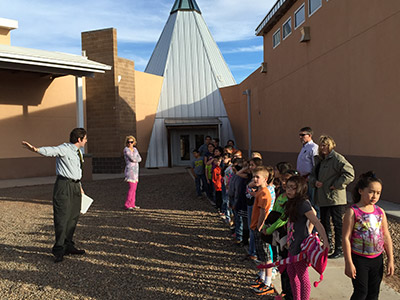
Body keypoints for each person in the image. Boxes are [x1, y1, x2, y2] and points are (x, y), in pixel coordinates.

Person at [22, 128, 88, 263]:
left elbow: (76, 171)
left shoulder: (78, 152)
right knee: (62, 217)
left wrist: (80, 187)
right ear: (79, 139)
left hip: (75, 186)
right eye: (85, 138)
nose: (86, 141)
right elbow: (51, 151)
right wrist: (35, 149)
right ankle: (58, 249)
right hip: (64, 185)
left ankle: (68, 245)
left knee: (73, 217)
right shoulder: (64, 148)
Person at [342, 172, 394, 300]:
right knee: (361, 293)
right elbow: (346, 238)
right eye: (371, 192)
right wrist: (348, 262)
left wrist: (390, 259)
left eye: (378, 193)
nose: (374, 196)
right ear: (361, 190)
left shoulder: (380, 212)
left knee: (373, 294)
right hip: (359, 260)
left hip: (377, 260)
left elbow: (386, 236)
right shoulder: (353, 211)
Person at [309, 135, 355, 259]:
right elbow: (312, 175)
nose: (323, 148)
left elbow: (350, 173)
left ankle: (339, 248)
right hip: (322, 197)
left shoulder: (337, 158)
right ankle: (327, 245)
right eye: (321, 145)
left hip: (335, 198)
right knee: (324, 223)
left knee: (337, 223)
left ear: (331, 145)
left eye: (326, 145)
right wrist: (314, 182)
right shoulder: (319, 160)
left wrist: (336, 185)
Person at [284, 176, 329, 300]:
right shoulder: (292, 202)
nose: (289, 191)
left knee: (302, 277)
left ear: (300, 189)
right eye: (288, 187)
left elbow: (316, 220)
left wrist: (325, 241)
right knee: (291, 273)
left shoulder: (303, 203)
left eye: (293, 188)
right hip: (292, 245)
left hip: (300, 248)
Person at [248, 166, 275, 296]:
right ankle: (263, 278)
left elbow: (263, 212)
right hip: (256, 227)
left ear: (265, 179)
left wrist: (259, 227)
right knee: (262, 256)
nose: (254, 179)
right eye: (253, 176)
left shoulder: (264, 193)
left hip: (260, 229)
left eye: (257, 177)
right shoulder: (260, 191)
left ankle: (268, 283)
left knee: (266, 257)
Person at [296, 127, 319, 216]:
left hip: (310, 180)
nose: (300, 137)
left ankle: (315, 227)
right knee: (306, 203)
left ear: (309, 135)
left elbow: (315, 165)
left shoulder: (313, 148)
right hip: (303, 179)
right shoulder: (304, 148)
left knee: (313, 204)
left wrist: (311, 178)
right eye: (299, 135)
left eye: (302, 135)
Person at [124, 135, 142, 210]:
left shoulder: (135, 149)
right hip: (130, 171)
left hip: (136, 171)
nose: (130, 143)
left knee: (134, 189)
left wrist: (136, 159)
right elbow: (133, 158)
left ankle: (132, 204)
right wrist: (136, 159)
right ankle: (127, 204)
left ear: (134, 142)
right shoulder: (126, 150)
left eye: (131, 142)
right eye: (128, 142)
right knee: (131, 188)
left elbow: (140, 158)